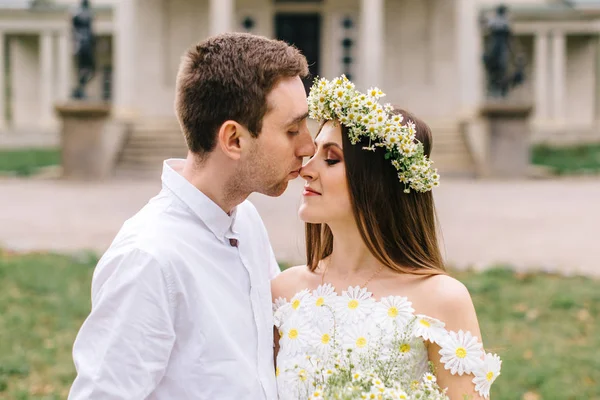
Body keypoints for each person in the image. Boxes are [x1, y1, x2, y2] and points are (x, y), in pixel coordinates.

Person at [68, 32, 315, 399]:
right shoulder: (148, 260)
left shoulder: (245, 220)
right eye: (292, 130)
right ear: (233, 139)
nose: (308, 146)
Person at [272, 76, 501, 399]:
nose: (306, 169)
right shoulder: (284, 292)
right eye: (313, 154)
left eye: (332, 159)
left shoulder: (441, 299)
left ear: (377, 181)